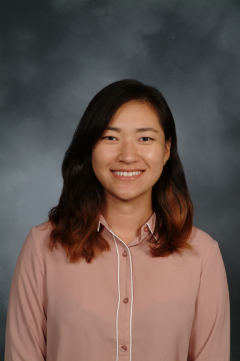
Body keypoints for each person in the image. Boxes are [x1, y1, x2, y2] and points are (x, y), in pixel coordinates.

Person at [5, 79, 230, 361]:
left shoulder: (203, 255)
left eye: (145, 138)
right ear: (90, 148)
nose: (127, 156)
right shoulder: (42, 247)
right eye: (110, 137)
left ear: (166, 150)